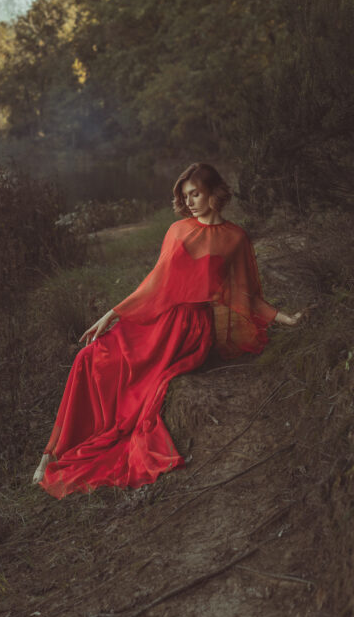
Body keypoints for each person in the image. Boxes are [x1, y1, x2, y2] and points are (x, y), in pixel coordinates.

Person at [33, 162, 305, 498]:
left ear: (214, 193)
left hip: (191, 332)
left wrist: (286, 319)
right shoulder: (177, 230)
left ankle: (65, 452)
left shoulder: (236, 238)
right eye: (185, 195)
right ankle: (54, 451)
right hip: (160, 320)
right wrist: (113, 314)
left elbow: (244, 296)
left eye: (196, 194)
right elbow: (155, 284)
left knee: (130, 379)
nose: (189, 201)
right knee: (88, 358)